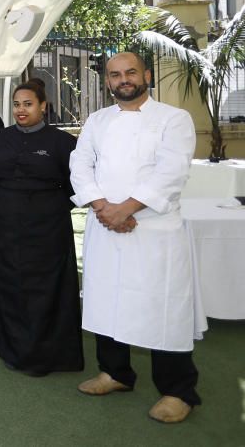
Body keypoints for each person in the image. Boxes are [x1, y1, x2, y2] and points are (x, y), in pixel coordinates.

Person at [70, 52, 205, 424]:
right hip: (107, 228)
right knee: (106, 300)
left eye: (130, 72)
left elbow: (171, 172)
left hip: (154, 231)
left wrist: (125, 209)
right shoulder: (97, 121)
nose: (123, 79)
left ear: (146, 74)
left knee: (163, 309)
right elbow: (80, 165)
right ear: (108, 81)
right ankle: (115, 373)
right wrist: (103, 206)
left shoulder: (174, 119)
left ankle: (178, 391)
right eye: (115, 74)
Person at [0, 81, 83, 376]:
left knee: (46, 289)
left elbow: (77, 185)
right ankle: (14, 348)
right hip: (7, 228)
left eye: (28, 104)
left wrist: (50, 209)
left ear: (43, 106)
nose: (21, 109)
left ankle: (49, 354)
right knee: (12, 286)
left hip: (48, 230)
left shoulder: (63, 142)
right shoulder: (0, 139)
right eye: (17, 104)